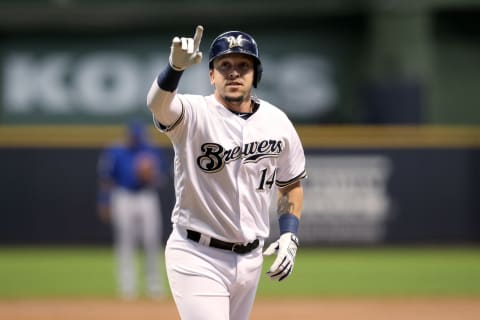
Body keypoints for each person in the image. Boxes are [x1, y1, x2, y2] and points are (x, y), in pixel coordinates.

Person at [146, 25, 307, 319]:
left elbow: (290, 183)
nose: (234, 73)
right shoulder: (193, 113)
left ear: (256, 75)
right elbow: (157, 105)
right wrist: (174, 68)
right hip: (197, 254)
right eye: (225, 66)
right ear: (211, 75)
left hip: (251, 260)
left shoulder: (278, 122)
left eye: (243, 66)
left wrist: (289, 235)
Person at [97, 119, 168, 300]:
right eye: (133, 136)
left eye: (138, 136)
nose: (135, 139)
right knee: (125, 242)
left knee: (151, 241)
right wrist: (104, 201)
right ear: (128, 135)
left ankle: (154, 286)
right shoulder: (116, 151)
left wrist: (149, 175)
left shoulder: (151, 150)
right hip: (123, 196)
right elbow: (106, 179)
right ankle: (127, 288)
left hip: (146, 196)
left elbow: (162, 178)